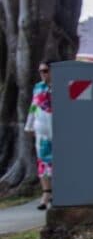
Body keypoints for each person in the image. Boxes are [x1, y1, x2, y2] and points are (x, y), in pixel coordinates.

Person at [25, 62, 54, 210]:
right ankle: (46, 193)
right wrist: (29, 125)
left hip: (58, 130)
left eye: (46, 70)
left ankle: (59, 192)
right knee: (43, 162)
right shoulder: (38, 87)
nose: (43, 73)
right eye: (41, 71)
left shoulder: (62, 86)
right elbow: (34, 106)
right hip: (41, 130)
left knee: (58, 161)